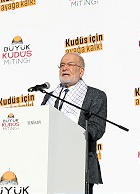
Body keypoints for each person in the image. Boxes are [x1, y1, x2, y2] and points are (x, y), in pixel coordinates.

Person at [42, 52, 107, 193]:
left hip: (80, 165)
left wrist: (71, 128)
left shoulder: (95, 95)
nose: (64, 68)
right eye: (62, 65)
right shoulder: (49, 97)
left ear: (81, 71)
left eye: (70, 64)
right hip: (49, 166)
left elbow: (97, 129)